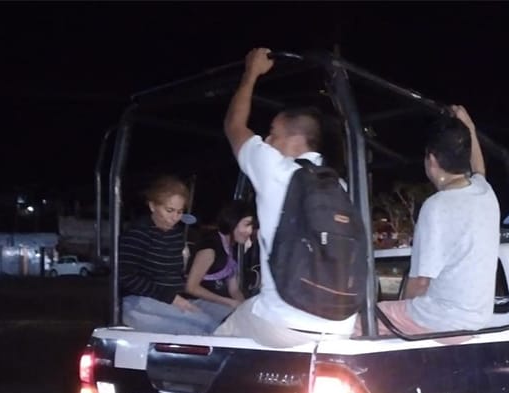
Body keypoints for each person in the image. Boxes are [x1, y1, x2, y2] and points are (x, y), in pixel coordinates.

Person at [214, 47, 357, 346]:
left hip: (283, 321)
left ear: (295, 139)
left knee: (217, 342)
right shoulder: (338, 185)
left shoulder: (277, 170)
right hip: (341, 324)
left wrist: (251, 73)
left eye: (273, 133)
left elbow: (233, 126)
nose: (267, 140)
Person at [373, 105, 500, 336]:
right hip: (474, 321)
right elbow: (479, 168)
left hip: (440, 320)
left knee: (361, 322)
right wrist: (469, 126)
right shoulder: (485, 193)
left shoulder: (437, 206)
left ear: (431, 160)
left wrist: (404, 315)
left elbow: (420, 283)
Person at [119, 175, 224, 335]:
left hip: (175, 299)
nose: (174, 217)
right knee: (207, 326)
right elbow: (126, 276)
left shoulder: (176, 234)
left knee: (227, 315)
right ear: (153, 206)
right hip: (140, 302)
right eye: (169, 210)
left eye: (179, 212)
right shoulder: (138, 233)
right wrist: (172, 299)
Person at [185, 199, 256, 322]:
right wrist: (228, 302)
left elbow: (233, 289)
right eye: (246, 224)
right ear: (233, 221)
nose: (249, 231)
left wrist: (245, 307)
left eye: (252, 226)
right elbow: (191, 287)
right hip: (195, 303)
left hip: (218, 303)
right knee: (234, 320)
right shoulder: (210, 246)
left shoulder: (232, 249)